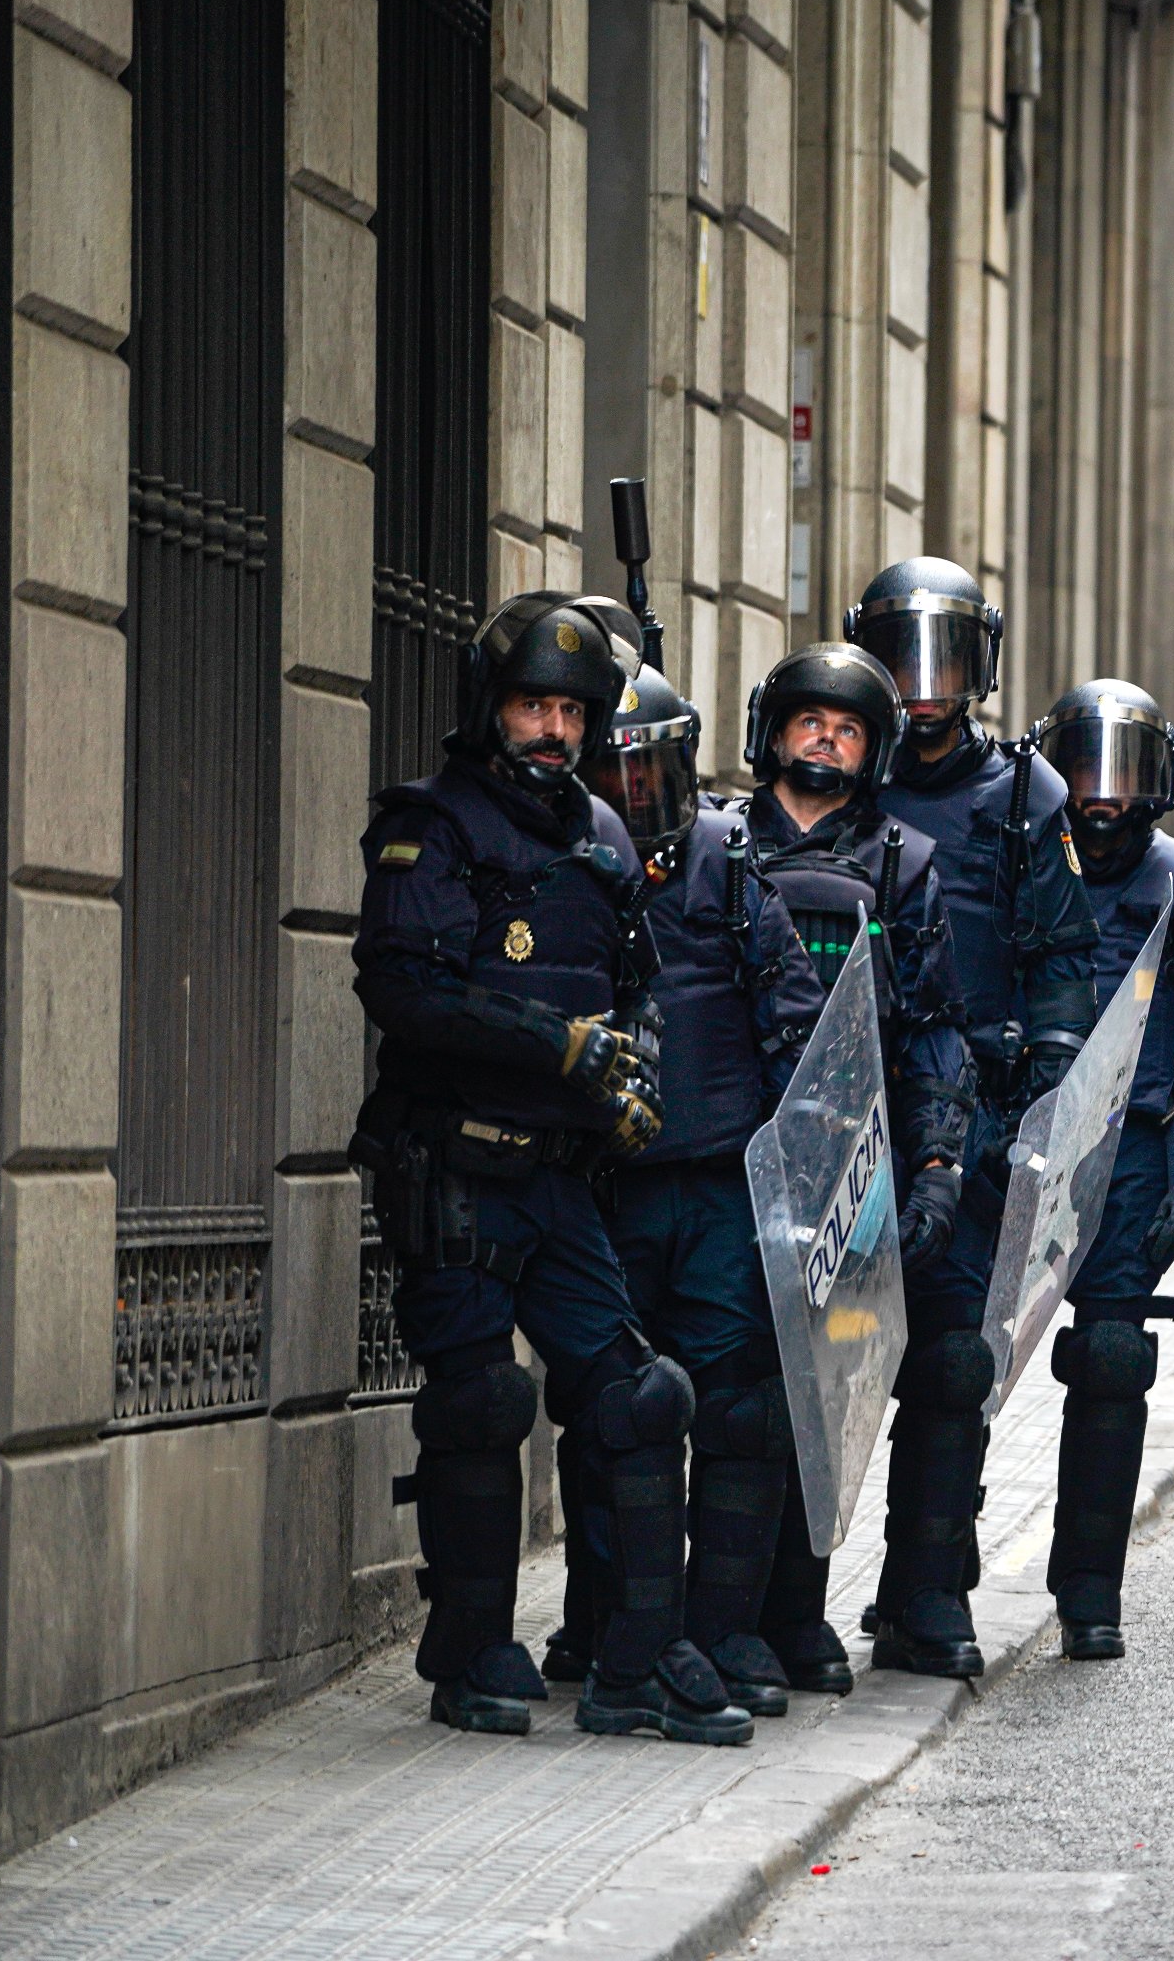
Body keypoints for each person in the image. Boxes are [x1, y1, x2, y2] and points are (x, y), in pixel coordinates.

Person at [348, 591, 756, 1747]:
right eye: (534, 705)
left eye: (572, 713)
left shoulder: (600, 829)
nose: (554, 731)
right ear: (493, 707)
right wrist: (556, 1046)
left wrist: (634, 1076)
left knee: (638, 1394)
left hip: (562, 1180)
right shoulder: (432, 825)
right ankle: (471, 1649)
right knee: (483, 1403)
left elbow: (639, 981)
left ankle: (637, 1661)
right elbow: (403, 991)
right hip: (458, 1172)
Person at [550, 664, 832, 1719]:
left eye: (649, 768)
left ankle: (723, 1633)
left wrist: (810, 1151)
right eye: (611, 774)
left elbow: (794, 1010)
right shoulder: (565, 860)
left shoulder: (726, 858)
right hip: (608, 1186)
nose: (634, 793)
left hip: (719, 1181)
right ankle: (610, 1628)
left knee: (743, 1412)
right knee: (615, 1412)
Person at [839, 558, 1100, 1678]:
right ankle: (777, 1600)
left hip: (976, 1119)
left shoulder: (1025, 796)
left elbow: (1061, 960)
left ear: (983, 665)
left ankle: (924, 1590)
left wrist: (1046, 1090)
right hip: (846, 1106)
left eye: (947, 656)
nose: (926, 685)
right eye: (904, 655)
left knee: (951, 1363)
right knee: (805, 1365)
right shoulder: (843, 766)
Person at [734, 642, 979, 1688]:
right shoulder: (718, 845)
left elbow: (932, 1031)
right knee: (729, 1398)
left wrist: (934, 1163)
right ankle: (696, 1623)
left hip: (849, 1157)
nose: (827, 738)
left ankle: (797, 1614)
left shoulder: (904, 864)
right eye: (810, 721)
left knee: (822, 1400)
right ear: (773, 733)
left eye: (849, 727)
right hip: (733, 1157)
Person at [1029, 680, 1174, 1657]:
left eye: (1124, 771)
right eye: (1085, 766)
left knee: (1115, 1358)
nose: (1102, 793)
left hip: (1131, 1157)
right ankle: (929, 1583)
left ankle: (1088, 1594)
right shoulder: (1018, 868)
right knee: (950, 1362)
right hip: (1014, 1147)